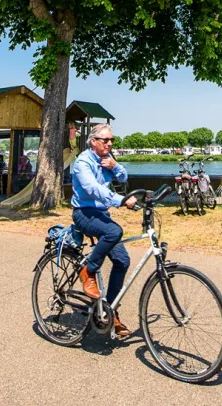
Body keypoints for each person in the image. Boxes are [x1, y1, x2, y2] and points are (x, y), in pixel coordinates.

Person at [71, 123, 136, 338]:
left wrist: (115, 166)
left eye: (112, 140)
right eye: (105, 140)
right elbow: (93, 189)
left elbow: (124, 178)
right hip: (84, 213)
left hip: (101, 214)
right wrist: (121, 200)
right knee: (114, 232)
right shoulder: (82, 162)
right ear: (93, 142)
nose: (109, 143)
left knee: (122, 261)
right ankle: (88, 271)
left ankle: (110, 312)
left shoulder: (108, 159)